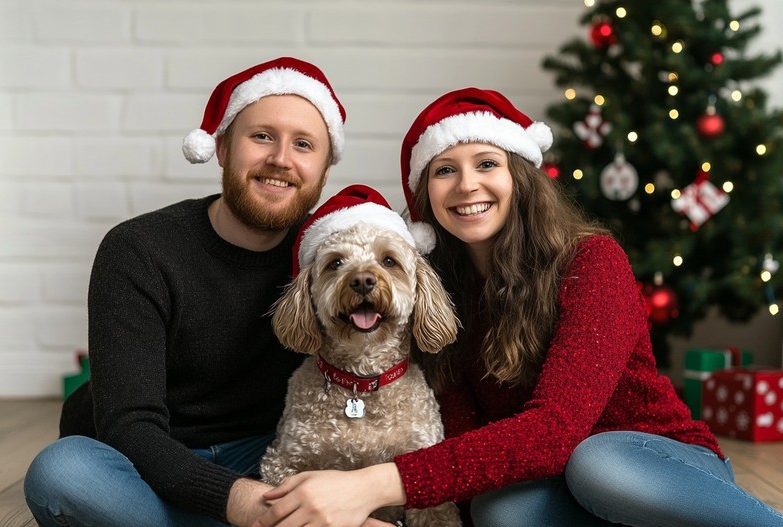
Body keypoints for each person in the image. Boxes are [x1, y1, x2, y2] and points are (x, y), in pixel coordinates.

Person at [250, 89, 783, 527]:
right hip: (549, 473)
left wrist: (370, 486)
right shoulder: (442, 291)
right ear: (424, 196)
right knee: (502, 514)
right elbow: (459, 429)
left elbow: (555, 431)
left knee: (597, 465)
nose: (467, 186)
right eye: (444, 171)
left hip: (653, 462)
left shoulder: (592, 262)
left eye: (486, 163)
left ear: (519, 178)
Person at [23, 56, 353, 527]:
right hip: (143, 461)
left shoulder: (328, 258)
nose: (281, 159)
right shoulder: (139, 249)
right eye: (261, 136)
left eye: (303, 144)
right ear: (221, 148)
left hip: (266, 456)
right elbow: (130, 427)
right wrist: (253, 509)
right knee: (62, 472)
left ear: (323, 169)